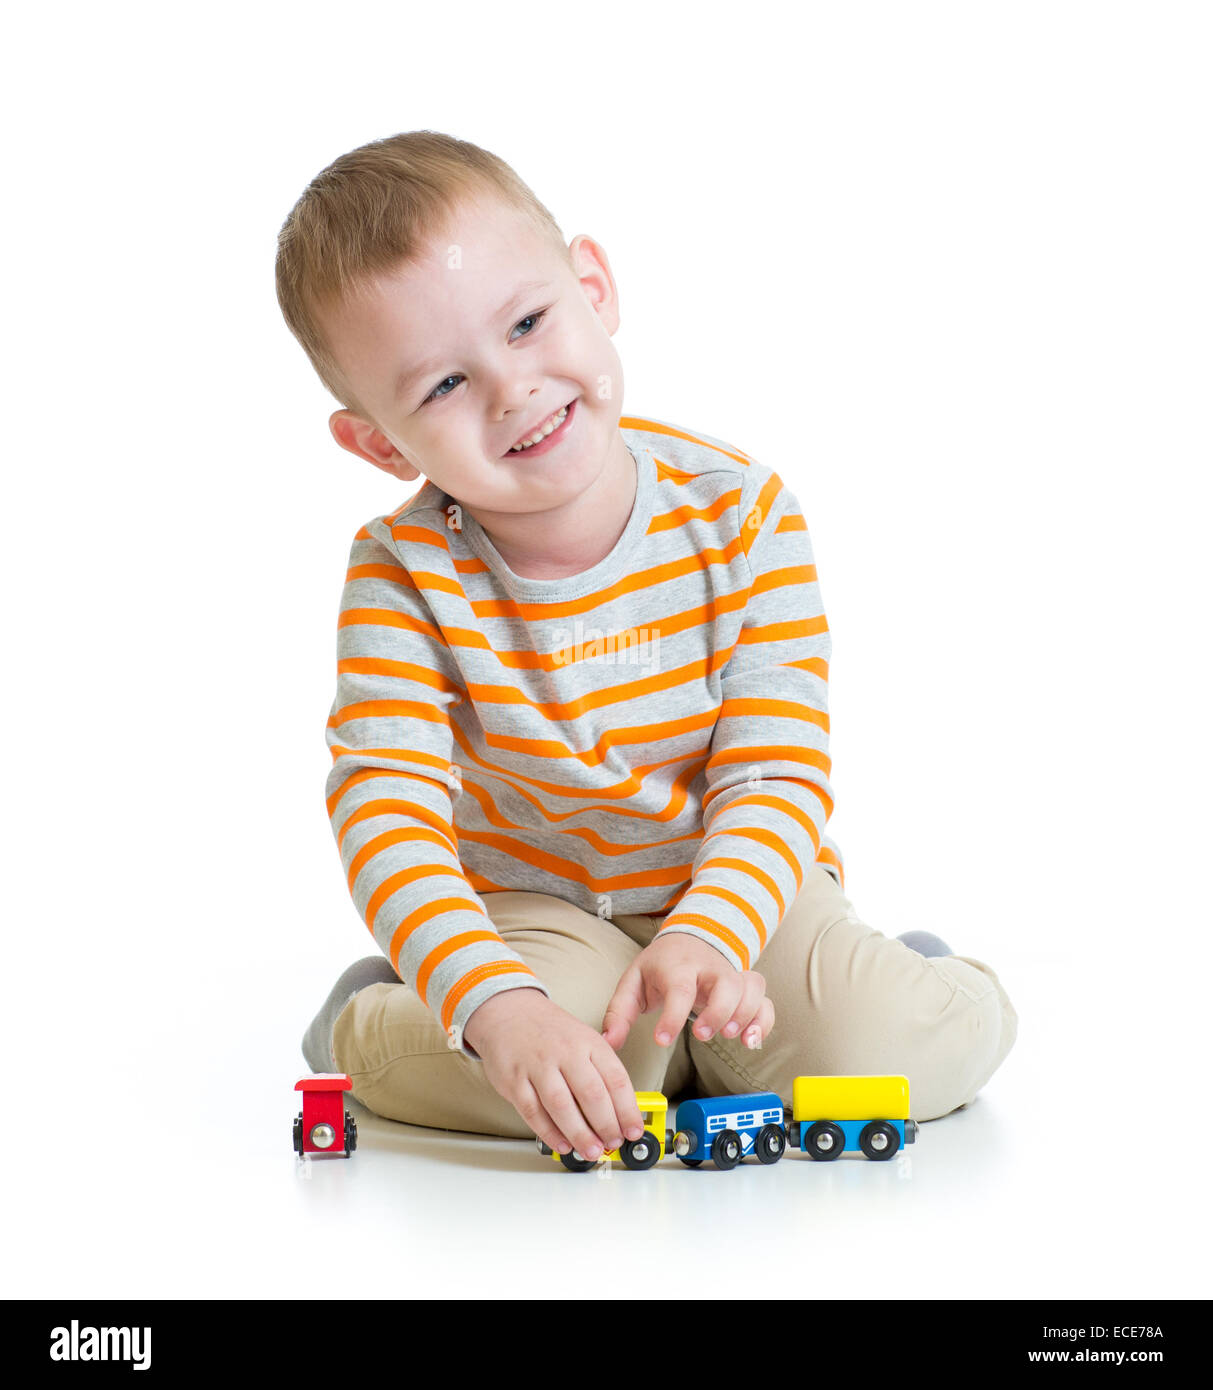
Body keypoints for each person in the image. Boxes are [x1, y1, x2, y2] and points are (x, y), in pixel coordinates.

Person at [275, 130, 1017, 1163]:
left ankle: (903, 981)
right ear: (382, 443)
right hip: (538, 906)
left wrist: (712, 931)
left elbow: (774, 768)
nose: (513, 389)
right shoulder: (401, 572)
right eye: (443, 385)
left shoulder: (744, 513)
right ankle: (376, 1016)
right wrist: (495, 1003)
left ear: (593, 286)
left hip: (735, 884)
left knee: (883, 1049)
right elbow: (385, 801)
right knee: (588, 1083)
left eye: (528, 323)